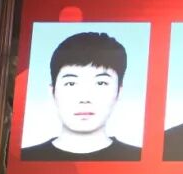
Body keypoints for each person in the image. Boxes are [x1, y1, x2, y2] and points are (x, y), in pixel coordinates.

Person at [22, 32, 141, 161]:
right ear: (52, 91)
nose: (85, 99)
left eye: (101, 83)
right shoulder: (26, 158)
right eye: (71, 83)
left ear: (119, 92)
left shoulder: (137, 157)